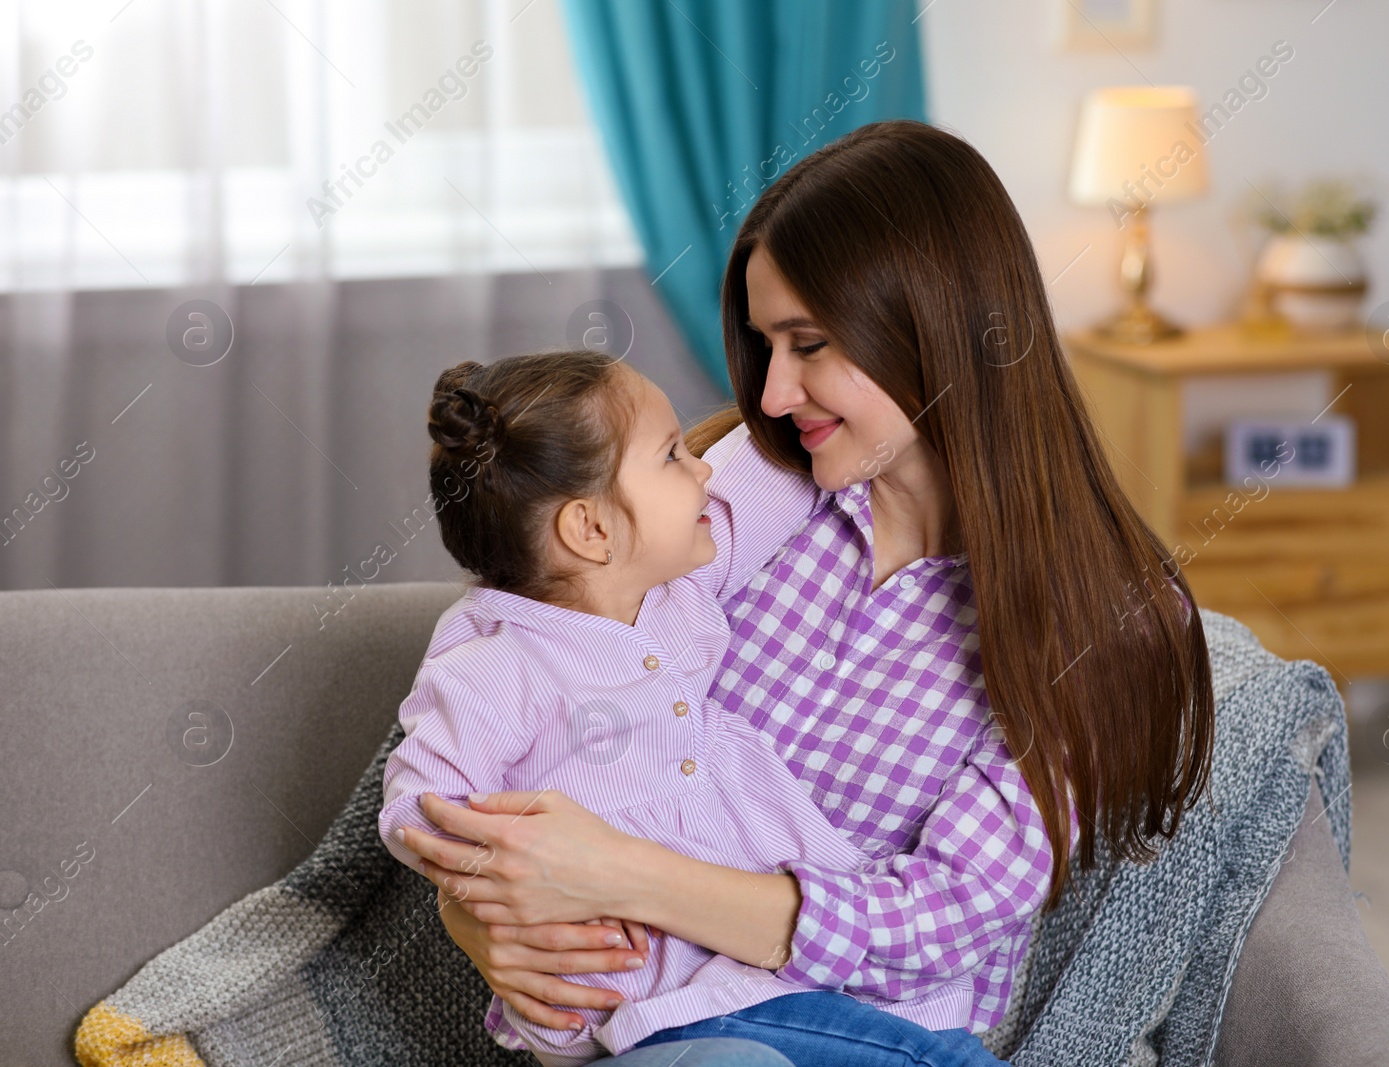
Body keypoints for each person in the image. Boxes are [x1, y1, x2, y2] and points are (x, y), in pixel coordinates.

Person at [400, 119, 1214, 1066]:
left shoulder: (1114, 614)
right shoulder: (760, 483)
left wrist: (619, 875)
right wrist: (484, 918)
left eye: (810, 343)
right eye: (764, 344)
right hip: (648, 1024)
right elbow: (546, 660)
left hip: (858, 1034)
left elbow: (944, 916)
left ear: (933, 327)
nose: (774, 394)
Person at [380, 351, 1008, 1066]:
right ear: (590, 530)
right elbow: (415, 802)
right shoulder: (497, 662)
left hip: (727, 985)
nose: (705, 467)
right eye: (673, 456)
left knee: (899, 1045)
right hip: (643, 996)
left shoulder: (674, 596)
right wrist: (481, 891)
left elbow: (772, 476)